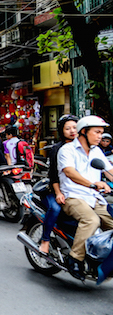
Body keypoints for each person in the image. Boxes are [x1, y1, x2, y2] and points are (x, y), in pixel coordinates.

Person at [57, 115, 113, 280]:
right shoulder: (67, 150)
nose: (100, 136)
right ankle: (75, 258)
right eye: (96, 132)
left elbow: (109, 171)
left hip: (94, 198)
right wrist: (92, 184)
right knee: (92, 220)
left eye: (101, 133)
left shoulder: (97, 151)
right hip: (73, 196)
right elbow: (70, 172)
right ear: (83, 132)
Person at [39, 115, 79, 254]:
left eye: (75, 127)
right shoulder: (58, 149)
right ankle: (45, 240)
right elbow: (54, 175)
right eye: (67, 128)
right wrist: (58, 193)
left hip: (76, 190)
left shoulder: (82, 148)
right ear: (62, 130)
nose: (72, 131)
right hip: (55, 189)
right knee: (55, 209)